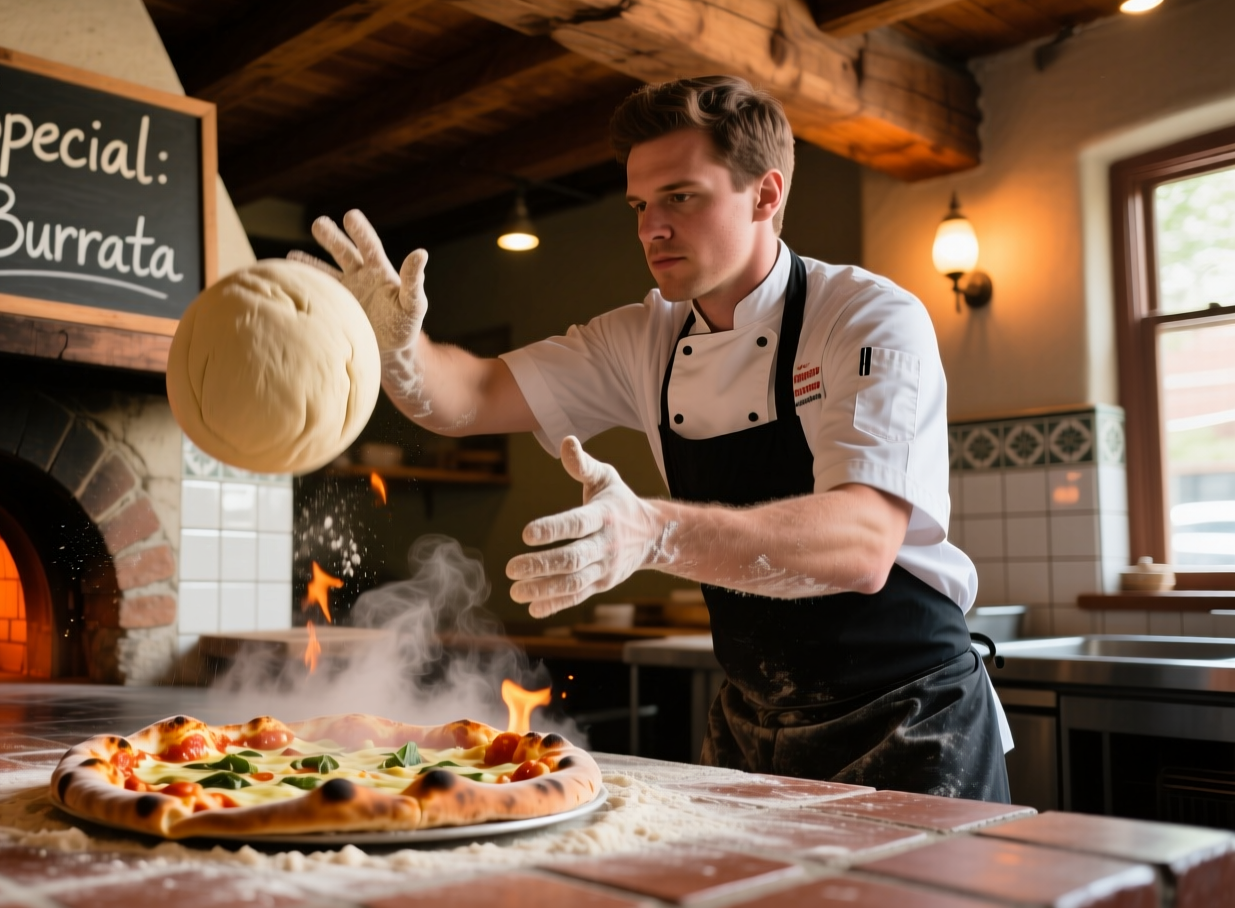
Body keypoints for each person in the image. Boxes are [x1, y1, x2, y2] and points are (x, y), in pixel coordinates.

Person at [290, 75, 1010, 803]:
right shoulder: (645, 338)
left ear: (765, 195)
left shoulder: (866, 317)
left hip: (910, 720)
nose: (649, 229)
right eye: (640, 205)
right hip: (754, 723)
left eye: (681, 197)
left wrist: (653, 532)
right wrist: (397, 351)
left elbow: (862, 545)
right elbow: (471, 395)